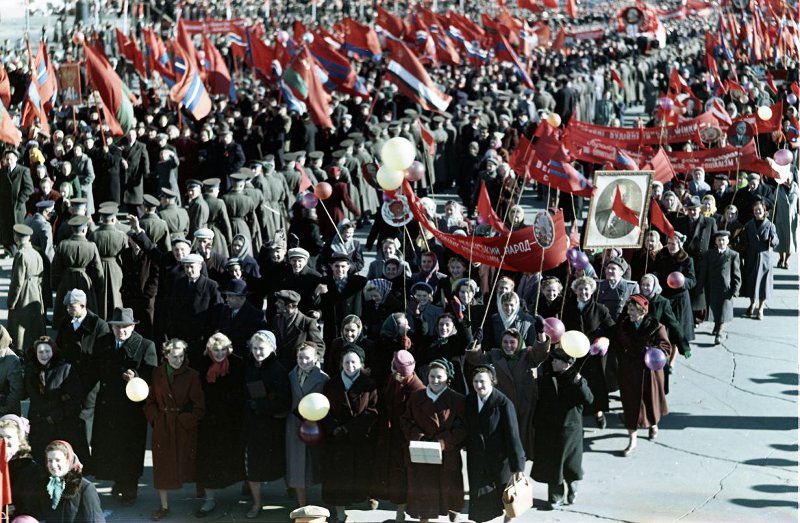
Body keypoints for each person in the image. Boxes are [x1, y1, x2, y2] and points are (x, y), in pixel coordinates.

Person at [90, 307, 158, 505]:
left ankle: (130, 489)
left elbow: (152, 375)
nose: (122, 331)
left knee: (130, 449)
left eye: (126, 327)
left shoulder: (146, 345)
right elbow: (96, 369)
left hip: (132, 409)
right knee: (112, 446)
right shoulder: (104, 342)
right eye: (117, 327)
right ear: (111, 327)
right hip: (109, 405)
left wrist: (136, 377)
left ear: (133, 326)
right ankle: (119, 481)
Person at [145, 338, 205, 521]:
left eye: (181, 356)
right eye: (173, 356)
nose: (177, 360)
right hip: (163, 425)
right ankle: (164, 506)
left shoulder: (192, 375)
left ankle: (203, 500)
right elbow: (150, 401)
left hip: (182, 426)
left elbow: (199, 406)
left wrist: (185, 420)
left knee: (189, 464)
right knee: (162, 467)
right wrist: (155, 418)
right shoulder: (157, 373)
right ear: (166, 355)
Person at [401, 358, 467, 523]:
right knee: (424, 493)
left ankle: (453, 512)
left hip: (447, 453)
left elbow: (463, 427)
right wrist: (419, 437)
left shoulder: (457, 399)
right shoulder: (417, 397)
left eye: (439, 377)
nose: (435, 381)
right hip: (422, 452)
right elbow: (405, 421)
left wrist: (443, 442)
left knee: (449, 490)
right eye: (432, 377)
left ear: (447, 378)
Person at [321, 346, 379, 523]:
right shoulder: (332, 384)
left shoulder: (369, 384)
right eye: (346, 362)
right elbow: (324, 409)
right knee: (337, 480)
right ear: (341, 364)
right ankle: (340, 513)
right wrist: (334, 427)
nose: (350, 365)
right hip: (337, 440)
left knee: (358, 476)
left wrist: (350, 428)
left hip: (358, 439)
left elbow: (372, 410)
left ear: (361, 364)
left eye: (354, 362)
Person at [532, 348, 594, 508]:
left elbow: (589, 399)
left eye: (556, 360)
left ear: (566, 363)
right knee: (553, 464)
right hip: (549, 428)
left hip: (570, 429)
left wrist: (580, 383)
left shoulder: (576, 379)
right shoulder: (547, 378)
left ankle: (573, 487)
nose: (553, 362)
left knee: (570, 463)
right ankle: (555, 496)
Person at [463, 365, 526, 523]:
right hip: (476, 459)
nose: (479, 385)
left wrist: (517, 467)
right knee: (479, 497)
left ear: (492, 381)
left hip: (498, 461)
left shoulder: (503, 403)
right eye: (475, 382)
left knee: (503, 497)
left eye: (482, 381)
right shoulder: (470, 400)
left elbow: (513, 436)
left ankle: (508, 518)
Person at [612, 295, 671, 456]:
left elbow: (666, 347)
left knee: (650, 401)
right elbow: (616, 343)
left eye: (632, 310)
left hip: (649, 373)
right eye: (628, 309)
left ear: (642, 311)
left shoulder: (657, 327)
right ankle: (632, 440)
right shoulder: (624, 326)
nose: (629, 313)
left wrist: (653, 352)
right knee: (630, 405)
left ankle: (653, 425)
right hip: (629, 372)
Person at [242, 330, 291, 519]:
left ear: (272, 348)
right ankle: (256, 503)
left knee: (279, 464)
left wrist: (260, 405)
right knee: (253, 467)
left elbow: (284, 402)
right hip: (253, 425)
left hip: (272, 426)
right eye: (255, 348)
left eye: (261, 348)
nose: (258, 352)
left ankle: (293, 496)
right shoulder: (250, 367)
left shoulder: (279, 370)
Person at [195, 333, 245, 517]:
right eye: (215, 350)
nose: (219, 354)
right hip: (209, 421)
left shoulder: (237, 364)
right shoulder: (202, 365)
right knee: (208, 461)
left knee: (234, 458)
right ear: (209, 350)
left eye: (223, 350)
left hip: (231, 421)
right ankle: (209, 499)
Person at [560, 276, 616, 428]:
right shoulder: (568, 308)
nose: (583, 292)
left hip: (593, 355)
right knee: (574, 383)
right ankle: (577, 413)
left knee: (594, 385)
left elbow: (612, 329)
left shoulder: (600, 309)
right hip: (572, 352)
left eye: (586, 289)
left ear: (592, 291)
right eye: (580, 289)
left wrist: (603, 340)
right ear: (575, 290)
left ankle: (598, 412)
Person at [25, 336, 88, 466]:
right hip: (39, 424)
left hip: (61, 425)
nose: (44, 355)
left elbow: (74, 398)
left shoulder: (65, 369)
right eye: (40, 352)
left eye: (47, 351)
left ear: (53, 352)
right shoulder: (31, 369)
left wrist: (57, 415)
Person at [286, 343, 330, 508]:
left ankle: (320, 505)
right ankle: (301, 505)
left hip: (315, 426)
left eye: (307, 358)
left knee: (315, 464)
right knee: (297, 466)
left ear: (316, 359)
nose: (303, 361)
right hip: (295, 425)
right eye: (300, 357)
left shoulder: (323, 378)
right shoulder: (290, 376)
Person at [42, 439, 105, 522]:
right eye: (50, 460)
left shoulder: (85, 488)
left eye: (58, 460)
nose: (53, 465)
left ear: (68, 460)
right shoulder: (44, 485)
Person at [7, 223, 46, 356]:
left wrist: (11, 302)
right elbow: (41, 275)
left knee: (20, 325)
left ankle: (21, 352)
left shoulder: (21, 254)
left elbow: (17, 282)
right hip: (35, 289)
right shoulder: (36, 253)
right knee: (33, 325)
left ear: (16, 238)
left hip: (24, 292)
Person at [0, 415, 48, 519]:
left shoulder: (30, 468)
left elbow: (32, 506)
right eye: (0, 437)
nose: (4, 441)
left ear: (19, 441)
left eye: (9, 437)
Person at [698, 231, 742, 344]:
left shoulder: (733, 255)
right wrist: (700, 285)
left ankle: (719, 333)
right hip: (711, 286)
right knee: (714, 308)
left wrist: (736, 289)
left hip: (725, 288)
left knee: (723, 310)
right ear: (715, 241)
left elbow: (736, 274)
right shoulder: (709, 254)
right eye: (719, 240)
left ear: (727, 241)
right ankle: (716, 325)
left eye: (724, 240)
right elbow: (704, 271)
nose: (721, 242)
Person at [653, 232, 696, 346]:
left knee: (676, 332)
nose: (671, 246)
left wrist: (682, 282)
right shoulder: (660, 256)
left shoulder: (687, 260)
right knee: (662, 330)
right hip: (664, 296)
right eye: (669, 243)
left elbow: (692, 280)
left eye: (674, 244)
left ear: (680, 245)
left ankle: (671, 361)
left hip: (679, 299)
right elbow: (655, 271)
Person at [741, 200, 779, 320]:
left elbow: (776, 242)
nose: (758, 212)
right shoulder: (748, 225)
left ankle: (761, 308)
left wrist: (772, 240)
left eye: (760, 210)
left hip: (764, 259)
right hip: (751, 257)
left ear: (764, 212)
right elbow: (744, 241)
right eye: (756, 210)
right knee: (751, 283)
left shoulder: (770, 225)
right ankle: (752, 303)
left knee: (763, 285)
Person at [775, 177, 798, 269]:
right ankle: (781, 259)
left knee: (791, 241)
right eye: (785, 178)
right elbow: (774, 203)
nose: (787, 180)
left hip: (793, 220)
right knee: (781, 240)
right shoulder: (778, 189)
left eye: (789, 178)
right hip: (780, 218)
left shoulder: (796, 188)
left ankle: (786, 260)